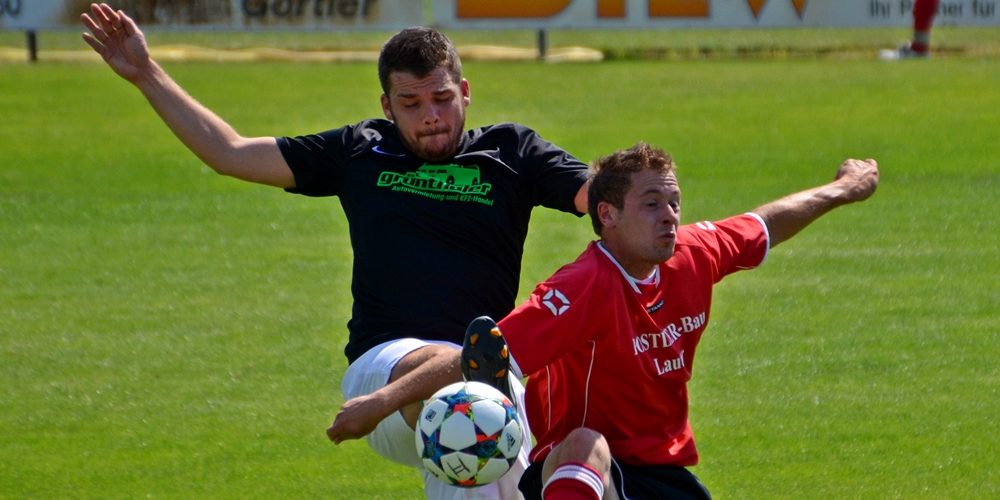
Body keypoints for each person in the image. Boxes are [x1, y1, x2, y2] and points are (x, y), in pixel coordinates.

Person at [80, 3, 589, 499]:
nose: (430, 116)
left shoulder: (512, 151)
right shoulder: (361, 150)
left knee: (477, 426)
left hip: (482, 376)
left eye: (442, 98)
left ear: (466, 92)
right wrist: (146, 73)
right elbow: (230, 153)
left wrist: (659, 212)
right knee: (468, 387)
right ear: (387, 106)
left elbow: (608, 201)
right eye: (411, 105)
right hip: (383, 366)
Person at [472, 143, 878, 499]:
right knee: (584, 444)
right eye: (651, 204)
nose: (669, 216)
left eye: (674, 203)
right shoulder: (581, 286)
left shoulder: (693, 253)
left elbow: (765, 224)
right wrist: (413, 396)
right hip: (582, 476)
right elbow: (485, 356)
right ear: (607, 215)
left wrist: (843, 189)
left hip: (663, 475)